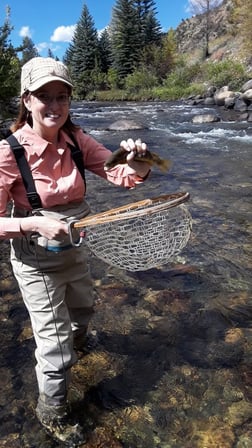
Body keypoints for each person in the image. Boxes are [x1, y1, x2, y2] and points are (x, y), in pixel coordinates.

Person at [0, 57, 151, 447]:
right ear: (26, 100)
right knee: (53, 347)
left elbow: (124, 176)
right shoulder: (8, 153)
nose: (54, 105)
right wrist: (33, 223)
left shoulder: (78, 141)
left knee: (84, 310)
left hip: (75, 251)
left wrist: (139, 160)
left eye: (61, 96)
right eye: (44, 96)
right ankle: (51, 412)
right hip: (36, 263)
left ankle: (81, 346)